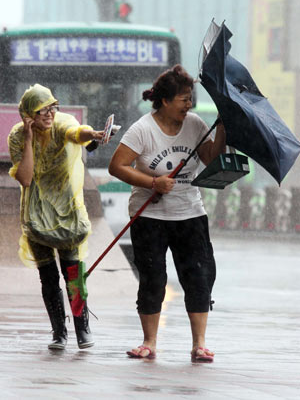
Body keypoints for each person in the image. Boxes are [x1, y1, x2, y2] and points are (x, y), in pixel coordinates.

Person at [108, 65, 226, 362]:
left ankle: (199, 344)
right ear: (164, 101)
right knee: (153, 278)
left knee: (198, 276)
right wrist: (153, 183)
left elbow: (210, 158)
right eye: (184, 99)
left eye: (190, 99)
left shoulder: (197, 124)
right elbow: (117, 166)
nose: (189, 105)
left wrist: (223, 126)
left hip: (190, 213)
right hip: (150, 218)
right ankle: (149, 342)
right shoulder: (143, 129)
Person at [8, 84, 111, 351]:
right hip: (36, 214)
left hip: (67, 212)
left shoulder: (62, 123)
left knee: (74, 273)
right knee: (48, 276)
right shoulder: (18, 136)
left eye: (52, 107)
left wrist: (95, 134)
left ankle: (82, 327)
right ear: (29, 113)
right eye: (43, 109)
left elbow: (77, 133)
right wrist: (30, 140)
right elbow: (25, 177)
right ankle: (59, 331)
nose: (49, 113)